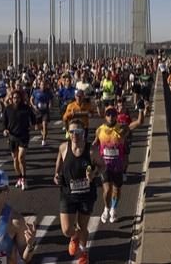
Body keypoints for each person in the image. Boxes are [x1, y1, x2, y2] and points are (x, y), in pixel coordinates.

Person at [54, 118, 105, 264]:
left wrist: (95, 173)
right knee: (66, 230)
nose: (74, 134)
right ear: (68, 133)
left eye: (78, 131)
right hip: (68, 194)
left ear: (84, 133)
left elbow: (103, 166)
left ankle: (83, 252)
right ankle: (74, 236)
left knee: (83, 227)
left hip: (86, 195)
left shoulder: (92, 150)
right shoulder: (64, 148)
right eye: (71, 132)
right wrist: (56, 174)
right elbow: (59, 162)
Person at [94, 104, 145, 223]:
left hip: (118, 165)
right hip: (105, 166)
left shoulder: (122, 128)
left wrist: (141, 110)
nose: (111, 116)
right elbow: (95, 144)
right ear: (105, 116)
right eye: (108, 114)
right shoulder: (99, 130)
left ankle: (113, 209)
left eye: (113, 114)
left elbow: (138, 122)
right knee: (107, 190)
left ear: (116, 116)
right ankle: (106, 208)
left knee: (116, 189)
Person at [3, 90, 37, 189]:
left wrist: (33, 125)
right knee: (15, 159)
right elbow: (4, 122)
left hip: (23, 136)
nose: (16, 100)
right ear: (11, 99)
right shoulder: (8, 109)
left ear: (20, 98)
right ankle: (19, 178)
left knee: (21, 158)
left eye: (18, 98)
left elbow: (33, 118)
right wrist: (5, 130)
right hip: (12, 137)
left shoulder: (26, 108)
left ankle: (24, 179)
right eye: (14, 98)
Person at [30, 80, 54, 146]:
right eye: (42, 85)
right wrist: (33, 105)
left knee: (45, 125)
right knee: (37, 127)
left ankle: (44, 140)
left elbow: (51, 100)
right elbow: (31, 99)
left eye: (44, 85)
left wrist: (50, 104)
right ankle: (42, 130)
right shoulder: (35, 91)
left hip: (45, 112)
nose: (43, 86)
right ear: (39, 85)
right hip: (37, 111)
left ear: (46, 85)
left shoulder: (48, 92)